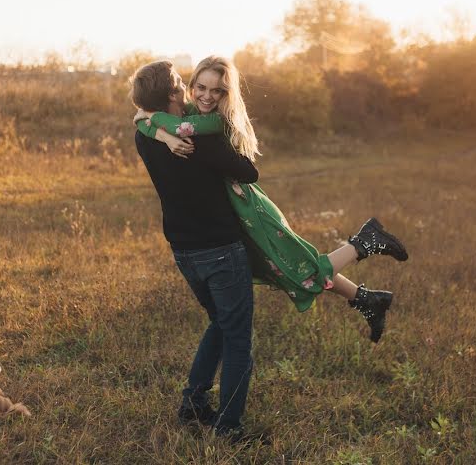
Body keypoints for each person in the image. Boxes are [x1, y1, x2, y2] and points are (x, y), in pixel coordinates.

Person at [135, 55, 409, 343]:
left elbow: (165, 125)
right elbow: (145, 120)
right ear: (188, 88)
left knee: (296, 265)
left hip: (249, 207)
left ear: (226, 94)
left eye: (216, 91)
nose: (206, 96)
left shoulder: (212, 121)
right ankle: (366, 298)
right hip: (230, 213)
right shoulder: (191, 113)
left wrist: (151, 119)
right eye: (200, 87)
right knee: (282, 265)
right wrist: (157, 130)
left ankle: (364, 242)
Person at [131, 60, 259, 440]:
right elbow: (249, 172)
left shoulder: (147, 134)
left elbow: (142, 117)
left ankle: (193, 404)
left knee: (220, 322)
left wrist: (162, 130)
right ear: (175, 94)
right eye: (185, 86)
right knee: (237, 337)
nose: (198, 95)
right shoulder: (199, 137)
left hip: (184, 251)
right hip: (220, 248)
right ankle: (229, 428)